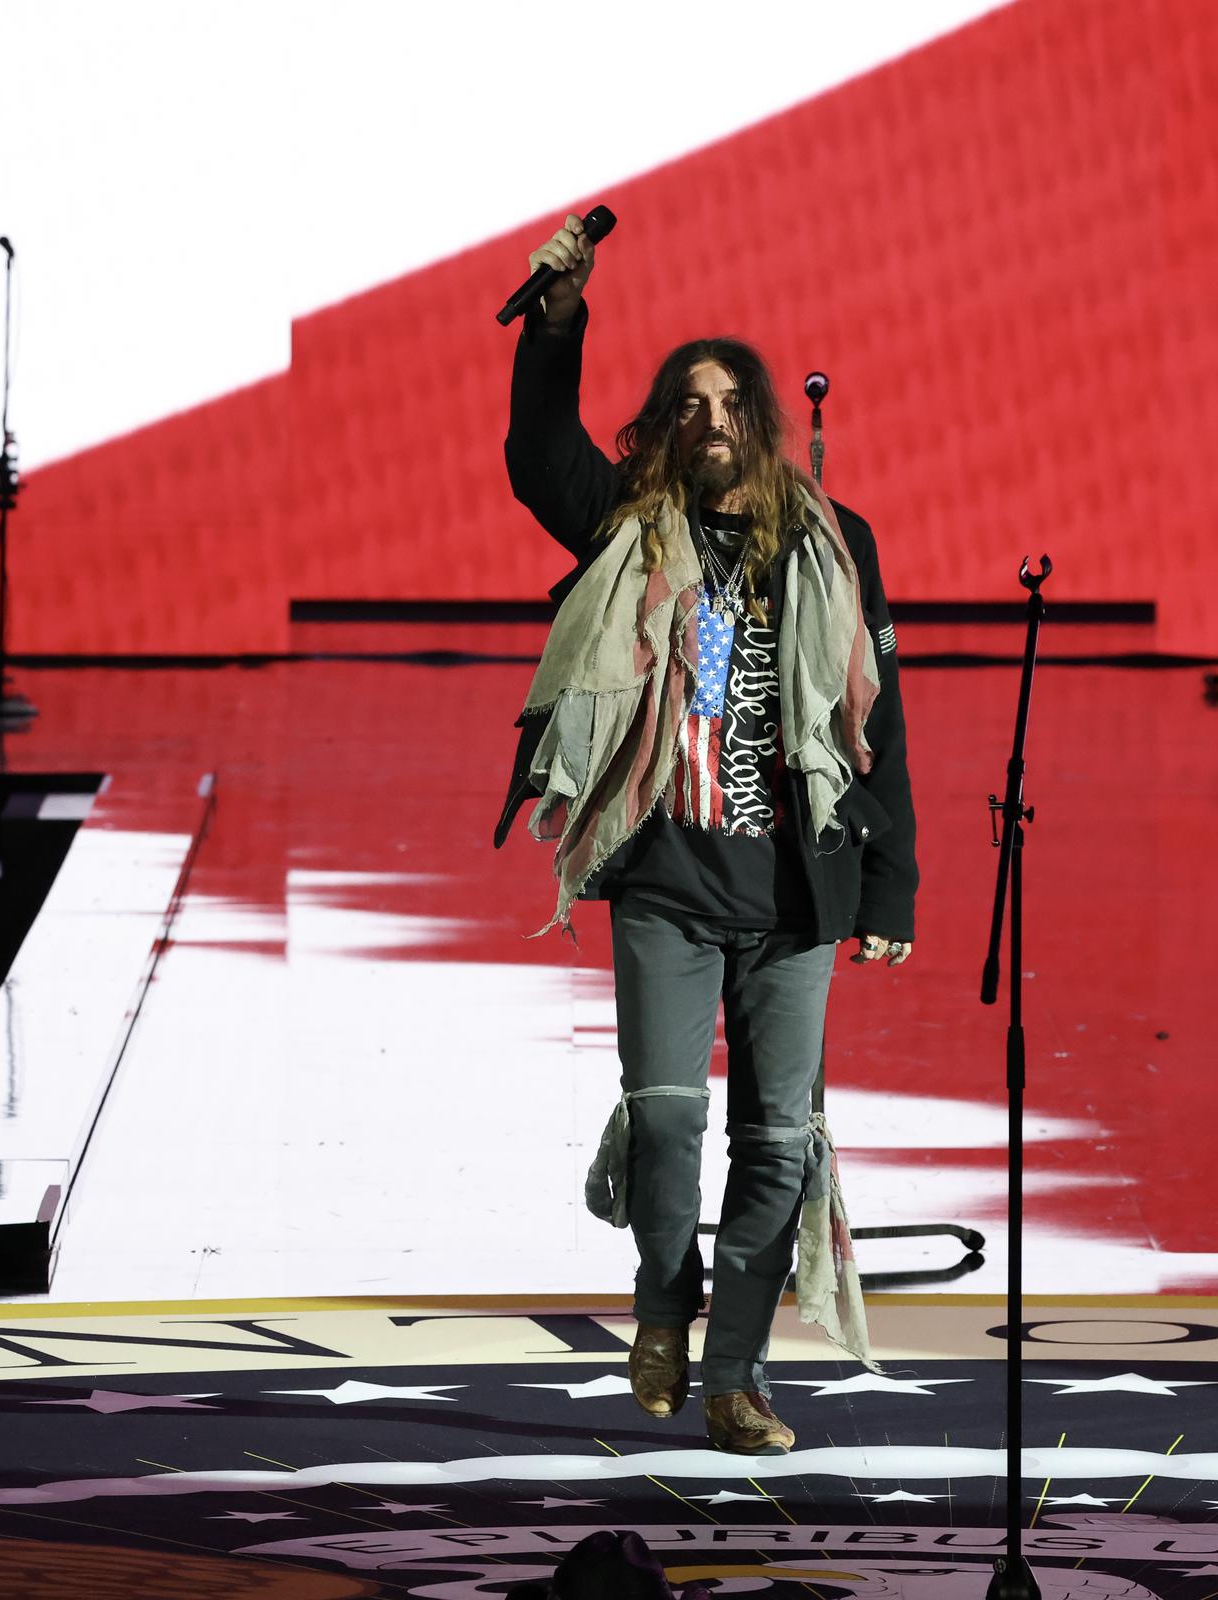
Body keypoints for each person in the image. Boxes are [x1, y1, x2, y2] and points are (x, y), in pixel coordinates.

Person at [494, 214, 918, 1457]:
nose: (712, 417)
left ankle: (736, 1376)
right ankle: (664, 1308)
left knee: (779, 1145)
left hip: (797, 888)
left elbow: (879, 726)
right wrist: (559, 325)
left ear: (765, 426)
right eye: (688, 401)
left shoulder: (840, 550)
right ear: (667, 427)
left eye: (733, 400)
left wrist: (890, 885)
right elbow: (535, 455)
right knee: (670, 1119)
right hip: (670, 877)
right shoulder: (626, 529)